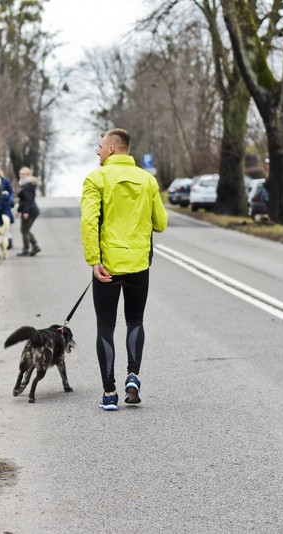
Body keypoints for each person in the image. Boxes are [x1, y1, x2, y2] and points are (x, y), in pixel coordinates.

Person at [80, 128, 168, 411]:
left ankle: (109, 393)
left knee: (105, 326)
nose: (98, 151)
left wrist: (94, 260)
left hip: (108, 266)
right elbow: (161, 223)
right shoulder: (147, 180)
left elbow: (89, 222)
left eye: (101, 146)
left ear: (113, 149)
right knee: (135, 320)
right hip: (139, 264)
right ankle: (133, 375)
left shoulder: (96, 179)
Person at [16, 167, 40, 257]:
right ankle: (34, 246)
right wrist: (18, 210)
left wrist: (26, 212)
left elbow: (28, 200)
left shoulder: (27, 186)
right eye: (20, 174)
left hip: (30, 211)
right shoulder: (25, 184)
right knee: (25, 230)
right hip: (31, 210)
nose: (21, 176)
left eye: (23, 174)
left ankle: (27, 248)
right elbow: (23, 200)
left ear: (28, 175)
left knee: (24, 230)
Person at [0, 165, 15, 249]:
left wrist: (11, 200)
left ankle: (9, 241)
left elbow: (11, 192)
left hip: (5, 205)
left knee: (6, 224)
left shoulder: (5, 181)